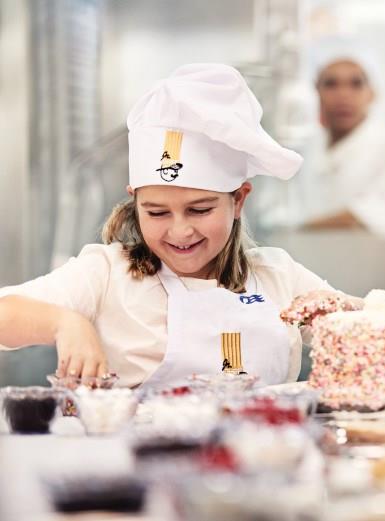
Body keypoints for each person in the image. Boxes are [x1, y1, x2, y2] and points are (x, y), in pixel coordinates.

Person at [0, 64, 356, 388]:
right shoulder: (107, 274)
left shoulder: (280, 276)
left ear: (238, 200)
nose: (180, 231)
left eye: (199, 210)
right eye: (157, 213)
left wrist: (348, 322)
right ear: (135, 202)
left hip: (265, 438)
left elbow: (369, 328)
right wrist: (65, 323)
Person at [287, 43, 385, 311]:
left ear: (372, 93)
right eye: (331, 84)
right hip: (327, 281)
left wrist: (300, 229)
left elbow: (383, 214)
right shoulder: (306, 152)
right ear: (316, 91)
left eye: (356, 83)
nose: (343, 94)